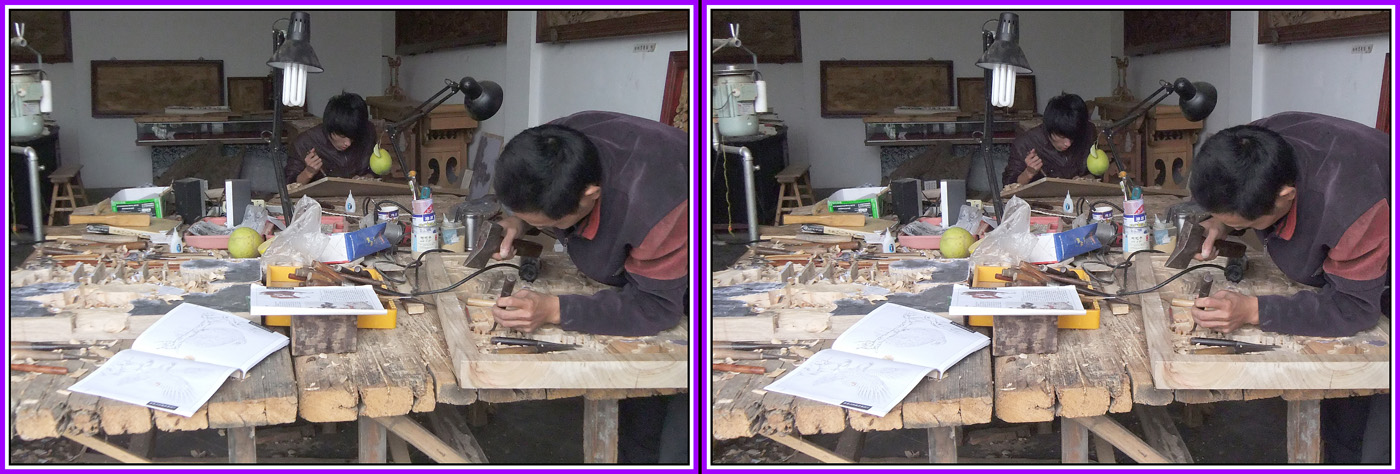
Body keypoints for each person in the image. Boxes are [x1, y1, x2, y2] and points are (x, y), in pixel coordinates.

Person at [1187, 111, 1390, 463]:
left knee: (1376, 436)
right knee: (1342, 411)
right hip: (1363, 217)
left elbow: (1353, 307)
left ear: (1285, 196)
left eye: (1245, 221)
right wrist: (1221, 223)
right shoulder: (1253, 140)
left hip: (1380, 224)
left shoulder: (1352, 207)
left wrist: (1254, 310)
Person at [490, 110, 689, 463]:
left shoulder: (658, 206)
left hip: (704, 243)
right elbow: (541, 190)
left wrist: (555, 309)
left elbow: (656, 306)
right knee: (634, 410)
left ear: (590, 195)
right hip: (649, 215)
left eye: (548, 220)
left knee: (671, 421)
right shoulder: (554, 141)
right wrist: (519, 223)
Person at [1002, 93, 1098, 187]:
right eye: (1061, 136)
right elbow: (1008, 187)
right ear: (1049, 128)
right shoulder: (1025, 144)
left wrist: (1086, 179)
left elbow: (1097, 173)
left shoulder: (1088, 132)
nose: (1068, 143)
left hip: (1081, 195)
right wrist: (1028, 173)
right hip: (1039, 197)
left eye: (1072, 137)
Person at [284, 92, 380, 185]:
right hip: (319, 196)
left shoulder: (367, 132)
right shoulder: (305, 142)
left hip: (360, 194)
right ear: (330, 127)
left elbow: (374, 170)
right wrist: (308, 172)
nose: (348, 143)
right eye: (342, 136)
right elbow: (288, 187)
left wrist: (367, 178)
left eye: (353, 137)